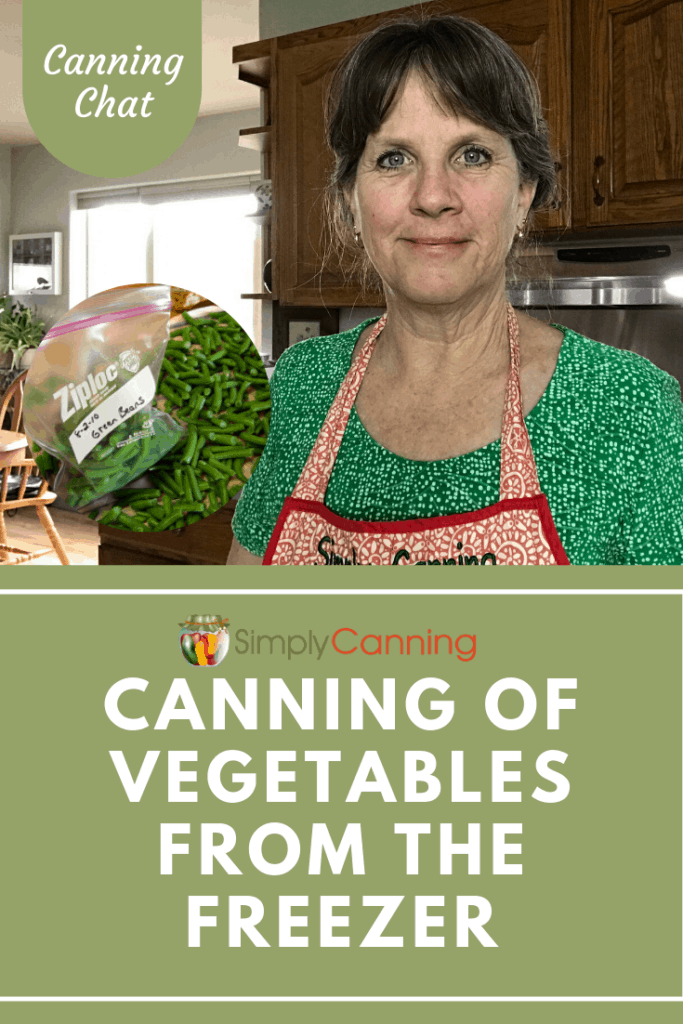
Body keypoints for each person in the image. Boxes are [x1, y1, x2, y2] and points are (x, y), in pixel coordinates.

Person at [228, 13, 683, 565]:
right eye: (394, 158)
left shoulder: (631, 409)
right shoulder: (302, 387)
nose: (434, 195)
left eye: (473, 154)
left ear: (522, 192)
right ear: (351, 199)